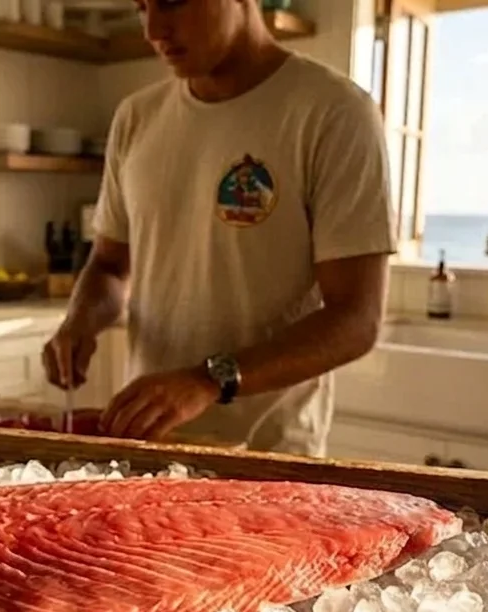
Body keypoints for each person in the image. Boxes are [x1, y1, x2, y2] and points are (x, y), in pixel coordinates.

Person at [42, 0, 396, 457]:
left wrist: (208, 379)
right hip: (150, 444)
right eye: (141, 7)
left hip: (269, 456)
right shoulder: (136, 117)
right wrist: (80, 322)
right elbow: (110, 266)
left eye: (172, 2)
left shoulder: (335, 111)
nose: (153, 29)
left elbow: (356, 319)